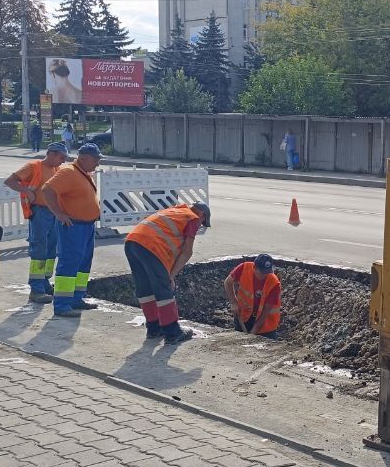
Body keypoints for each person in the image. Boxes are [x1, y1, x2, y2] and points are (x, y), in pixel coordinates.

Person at [123, 202, 211, 344]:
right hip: (150, 246)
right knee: (163, 288)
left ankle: (153, 328)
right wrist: (171, 276)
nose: (200, 225)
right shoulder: (192, 217)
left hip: (132, 242)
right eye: (203, 222)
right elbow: (187, 252)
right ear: (202, 214)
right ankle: (172, 331)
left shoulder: (175, 212)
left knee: (145, 287)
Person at [41, 142, 103, 318]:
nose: (97, 163)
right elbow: (47, 190)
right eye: (95, 160)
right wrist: (59, 214)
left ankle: (77, 297)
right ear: (83, 158)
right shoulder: (68, 172)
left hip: (86, 226)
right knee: (69, 263)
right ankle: (61, 304)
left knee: (83, 264)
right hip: (73, 226)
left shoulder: (83, 172)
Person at [4, 143, 68, 303]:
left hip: (53, 213)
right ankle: (36, 288)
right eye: (61, 157)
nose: (63, 161)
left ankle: (45, 281)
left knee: (51, 249)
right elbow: (10, 181)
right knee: (40, 249)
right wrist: (26, 191)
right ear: (52, 154)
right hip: (39, 212)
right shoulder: (33, 166)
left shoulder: (56, 170)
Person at [224, 254, 281, 337]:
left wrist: (253, 332)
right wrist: (234, 303)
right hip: (244, 316)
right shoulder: (244, 268)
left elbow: (265, 312)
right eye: (261, 273)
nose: (264, 276)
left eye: (267, 273)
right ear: (254, 268)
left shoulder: (274, 283)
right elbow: (227, 282)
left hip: (265, 325)